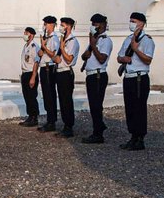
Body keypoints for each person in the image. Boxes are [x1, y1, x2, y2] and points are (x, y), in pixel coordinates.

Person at [116, 11, 154, 150]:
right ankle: (132, 136)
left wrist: (136, 50)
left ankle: (140, 139)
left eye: (134, 21)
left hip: (139, 77)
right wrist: (123, 59)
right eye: (130, 20)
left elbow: (148, 59)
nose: (131, 23)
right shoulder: (128, 39)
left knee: (139, 108)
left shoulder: (147, 40)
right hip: (129, 77)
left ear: (142, 24)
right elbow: (119, 57)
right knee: (130, 108)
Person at [80, 13, 114, 144]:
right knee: (93, 105)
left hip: (99, 75)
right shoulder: (95, 39)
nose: (93, 26)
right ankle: (99, 126)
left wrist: (93, 45)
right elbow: (84, 56)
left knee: (96, 105)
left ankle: (98, 133)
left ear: (103, 25)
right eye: (92, 24)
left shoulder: (105, 40)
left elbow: (101, 59)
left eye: (95, 24)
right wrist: (91, 45)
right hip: (91, 75)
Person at [54, 16, 81, 138]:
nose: (60, 27)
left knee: (67, 101)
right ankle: (65, 125)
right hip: (59, 72)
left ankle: (69, 127)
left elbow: (69, 59)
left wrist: (61, 48)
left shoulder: (72, 41)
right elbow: (57, 58)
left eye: (63, 25)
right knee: (62, 100)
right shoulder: (63, 40)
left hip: (66, 72)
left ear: (69, 26)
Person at [36, 15, 60, 132]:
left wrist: (45, 47)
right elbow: (40, 53)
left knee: (50, 95)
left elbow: (53, 54)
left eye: (46, 24)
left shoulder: (54, 38)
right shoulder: (46, 37)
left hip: (48, 68)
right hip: (43, 67)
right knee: (46, 95)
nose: (44, 26)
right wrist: (42, 45)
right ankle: (49, 120)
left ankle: (52, 121)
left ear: (51, 25)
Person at [18, 26, 41, 127]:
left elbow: (36, 62)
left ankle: (34, 117)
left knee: (32, 96)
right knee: (26, 96)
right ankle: (30, 116)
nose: (24, 34)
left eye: (26, 33)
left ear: (31, 34)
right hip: (25, 73)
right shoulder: (26, 46)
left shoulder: (34, 46)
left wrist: (33, 77)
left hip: (31, 73)